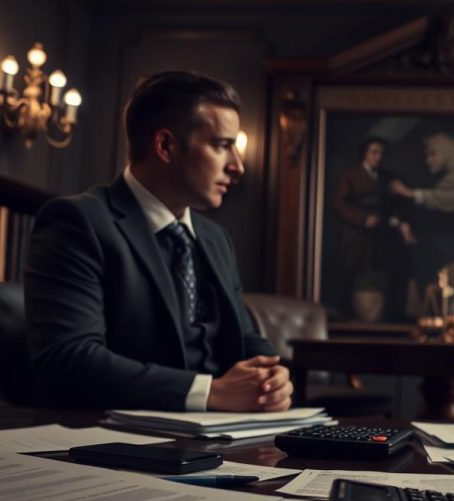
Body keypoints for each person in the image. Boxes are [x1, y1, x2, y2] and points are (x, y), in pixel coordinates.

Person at [25, 71, 292, 412]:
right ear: (165, 145)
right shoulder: (77, 221)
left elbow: (243, 337)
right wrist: (208, 392)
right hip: (120, 440)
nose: (238, 167)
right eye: (222, 146)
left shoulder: (215, 238)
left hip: (224, 432)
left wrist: (272, 379)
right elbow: (68, 361)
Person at [333, 137, 416, 321]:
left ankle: (383, 316)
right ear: (365, 153)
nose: (378, 157)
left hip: (381, 234)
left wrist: (400, 222)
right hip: (356, 234)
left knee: (382, 271)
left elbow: (398, 204)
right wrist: (363, 219)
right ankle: (347, 314)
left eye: (381, 153)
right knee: (352, 270)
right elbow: (340, 204)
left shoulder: (386, 177)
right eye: (374, 152)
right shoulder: (351, 174)